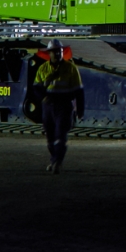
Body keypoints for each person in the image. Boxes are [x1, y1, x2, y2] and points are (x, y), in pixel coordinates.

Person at [31, 39, 85, 173]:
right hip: (48, 106)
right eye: (54, 51)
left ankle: (57, 163)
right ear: (49, 53)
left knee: (60, 136)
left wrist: (80, 109)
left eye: (59, 51)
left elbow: (79, 91)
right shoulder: (43, 69)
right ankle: (54, 160)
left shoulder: (71, 68)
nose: (57, 54)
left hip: (64, 106)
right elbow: (36, 88)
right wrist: (44, 97)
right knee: (50, 138)